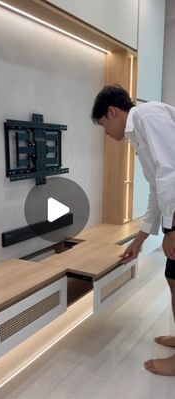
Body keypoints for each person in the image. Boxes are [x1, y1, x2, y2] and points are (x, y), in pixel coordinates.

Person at [91, 85, 175, 376]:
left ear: (112, 112)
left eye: (103, 124)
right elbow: (156, 189)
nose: (105, 132)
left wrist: (172, 228)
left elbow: (171, 172)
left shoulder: (144, 116)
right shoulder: (138, 133)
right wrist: (139, 241)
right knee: (173, 279)